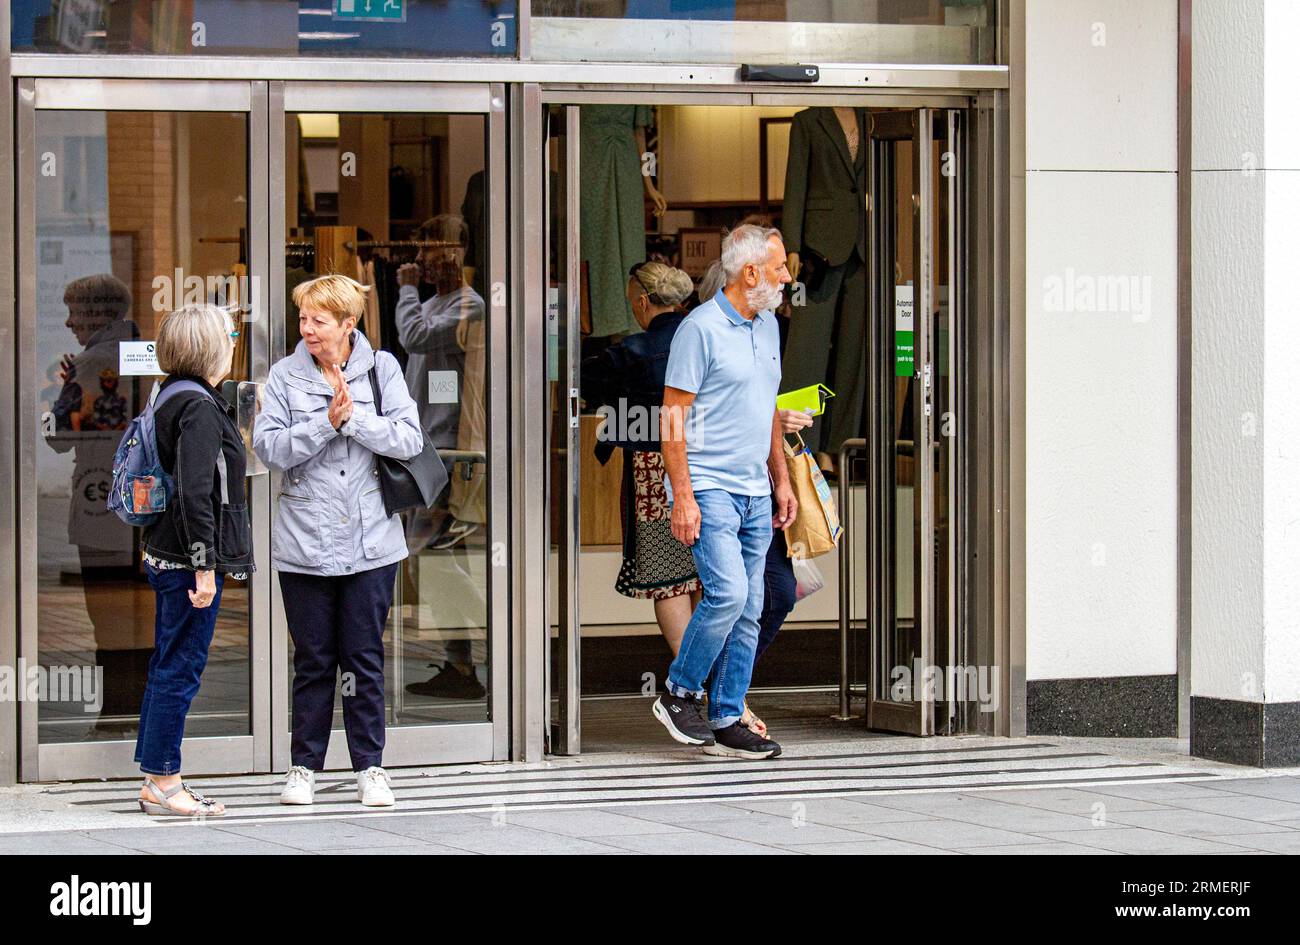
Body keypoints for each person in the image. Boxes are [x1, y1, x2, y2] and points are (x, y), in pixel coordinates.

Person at [253, 274, 423, 808]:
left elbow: (410, 438)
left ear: (348, 324)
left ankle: (370, 767)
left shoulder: (384, 369)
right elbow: (268, 449)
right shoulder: (283, 376)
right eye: (303, 319)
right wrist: (325, 425)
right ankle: (303, 766)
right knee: (313, 659)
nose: (307, 329)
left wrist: (355, 422)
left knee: (364, 658)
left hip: (373, 540)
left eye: (318, 321)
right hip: (305, 542)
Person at [652, 224, 797, 760]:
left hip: (755, 489)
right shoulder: (700, 329)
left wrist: (779, 480)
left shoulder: (769, 328)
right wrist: (683, 496)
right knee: (730, 594)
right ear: (750, 272)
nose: (786, 278)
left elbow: (767, 414)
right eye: (779, 267)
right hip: (709, 486)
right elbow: (672, 419)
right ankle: (679, 690)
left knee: (752, 605)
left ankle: (728, 715)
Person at [135, 304, 253, 816]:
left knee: (169, 663)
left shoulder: (170, 394)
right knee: (180, 667)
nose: (233, 343)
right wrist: (204, 564)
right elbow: (195, 492)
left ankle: (156, 775)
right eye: (227, 335)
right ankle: (164, 780)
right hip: (185, 561)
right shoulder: (199, 406)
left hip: (165, 553)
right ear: (207, 346)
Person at [581, 262, 702, 654]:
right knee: (703, 573)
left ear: (643, 302)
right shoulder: (706, 340)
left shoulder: (630, 352)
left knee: (668, 575)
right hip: (708, 463)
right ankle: (712, 673)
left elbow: (584, 385)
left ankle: (690, 674)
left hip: (653, 469)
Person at [396, 214, 489, 700]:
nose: (418, 260)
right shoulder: (438, 303)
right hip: (425, 450)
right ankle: (463, 663)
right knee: (431, 558)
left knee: (430, 555)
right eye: (417, 249)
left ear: (455, 251)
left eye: (428, 249)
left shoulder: (470, 307)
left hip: (451, 454)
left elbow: (413, 336)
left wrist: (405, 290)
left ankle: (488, 631)